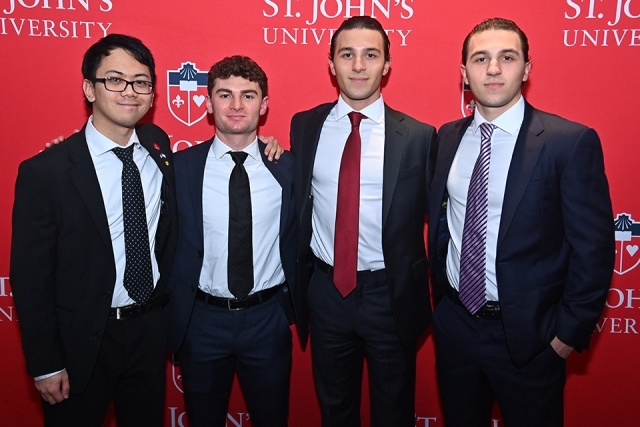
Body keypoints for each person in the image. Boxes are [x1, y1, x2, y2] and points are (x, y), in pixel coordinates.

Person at [428, 17, 614, 427]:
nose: (493, 69)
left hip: (531, 339)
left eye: (506, 58)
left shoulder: (569, 142)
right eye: (481, 59)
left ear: (526, 69)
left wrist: (564, 338)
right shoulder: (446, 139)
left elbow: (594, 251)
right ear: (464, 73)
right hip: (456, 327)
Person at [10, 34, 179, 426]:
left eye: (141, 82)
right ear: (89, 88)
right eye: (115, 80)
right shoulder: (46, 172)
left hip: (148, 333)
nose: (130, 92)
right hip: (81, 341)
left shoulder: (158, 146)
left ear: (153, 94)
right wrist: (45, 363)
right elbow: (31, 278)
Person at [290, 16, 437, 427]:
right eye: (347, 54)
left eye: (370, 55)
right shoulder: (305, 126)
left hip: (390, 295)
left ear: (386, 65)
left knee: (394, 413)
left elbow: (443, 221)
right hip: (325, 291)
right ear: (331, 63)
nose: (358, 66)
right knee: (336, 411)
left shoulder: (421, 136)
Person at [166, 55, 300, 427]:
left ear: (265, 104)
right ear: (208, 104)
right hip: (202, 321)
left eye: (248, 95)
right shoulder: (180, 169)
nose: (237, 105)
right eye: (225, 95)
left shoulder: (288, 167)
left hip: (267, 319)